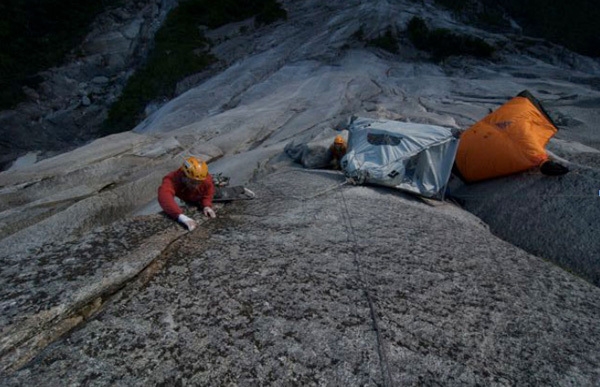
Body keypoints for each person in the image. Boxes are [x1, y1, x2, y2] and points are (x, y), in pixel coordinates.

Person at [158, 157, 216, 231]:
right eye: (192, 182)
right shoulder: (172, 179)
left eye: (198, 183)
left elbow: (208, 191)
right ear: (184, 175)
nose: (195, 185)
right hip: (188, 196)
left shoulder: (205, 179)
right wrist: (181, 217)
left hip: (194, 196)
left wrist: (207, 205)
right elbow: (164, 196)